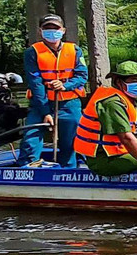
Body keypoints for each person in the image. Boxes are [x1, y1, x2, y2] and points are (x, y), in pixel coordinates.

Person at [72, 61, 137, 181]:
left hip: (117, 154)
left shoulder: (126, 99)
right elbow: (126, 137)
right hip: (104, 160)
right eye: (134, 80)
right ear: (119, 82)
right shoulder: (112, 103)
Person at [19, 14, 87, 167]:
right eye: (47, 28)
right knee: (31, 139)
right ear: (40, 31)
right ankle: (29, 169)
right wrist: (46, 113)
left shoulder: (75, 50)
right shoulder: (32, 52)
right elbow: (35, 83)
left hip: (69, 104)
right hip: (41, 103)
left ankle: (69, 171)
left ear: (63, 30)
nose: (52, 32)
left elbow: (82, 76)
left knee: (71, 144)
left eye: (55, 28)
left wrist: (65, 85)